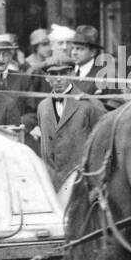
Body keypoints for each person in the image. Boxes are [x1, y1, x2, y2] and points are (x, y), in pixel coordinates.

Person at [35, 58, 104, 188]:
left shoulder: (90, 105)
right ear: (46, 77)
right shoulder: (42, 107)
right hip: (52, 183)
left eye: (63, 73)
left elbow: (103, 145)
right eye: (53, 74)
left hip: (81, 183)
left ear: (72, 74)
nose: (58, 79)